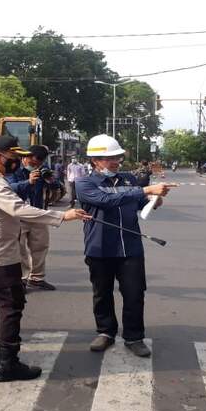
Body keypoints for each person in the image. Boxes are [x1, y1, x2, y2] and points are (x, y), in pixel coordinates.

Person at [0, 135, 90, 382]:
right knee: (11, 306)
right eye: (14, 158)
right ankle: (7, 363)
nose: (19, 162)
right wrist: (61, 217)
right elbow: (18, 209)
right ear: (1, 157)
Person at [76, 134, 174, 358]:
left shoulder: (129, 179)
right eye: (109, 158)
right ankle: (105, 332)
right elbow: (106, 201)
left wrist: (156, 199)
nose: (115, 161)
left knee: (134, 293)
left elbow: (141, 203)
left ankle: (134, 336)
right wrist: (147, 190)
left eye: (117, 157)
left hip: (130, 248)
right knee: (102, 293)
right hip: (99, 247)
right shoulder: (85, 183)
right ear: (95, 161)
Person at [7, 145, 61, 291]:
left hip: (38, 214)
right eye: (33, 163)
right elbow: (10, 188)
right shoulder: (14, 170)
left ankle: (37, 278)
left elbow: (58, 186)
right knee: (20, 250)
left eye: (38, 164)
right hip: (19, 215)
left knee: (40, 246)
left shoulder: (42, 170)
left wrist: (50, 179)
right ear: (26, 157)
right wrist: (28, 182)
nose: (34, 166)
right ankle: (22, 280)